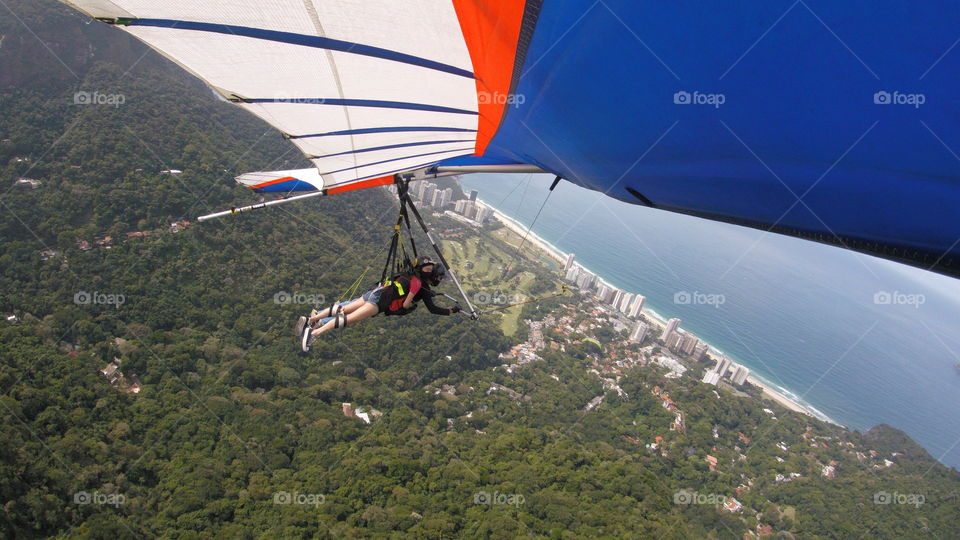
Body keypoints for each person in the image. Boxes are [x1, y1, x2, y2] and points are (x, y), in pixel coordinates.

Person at [296, 256, 461, 351]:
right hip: (379, 303)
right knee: (347, 319)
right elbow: (410, 306)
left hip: (376, 291)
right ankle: (313, 334)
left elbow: (422, 263)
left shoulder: (410, 273)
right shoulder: (418, 284)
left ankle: (310, 320)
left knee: (343, 308)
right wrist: (451, 310)